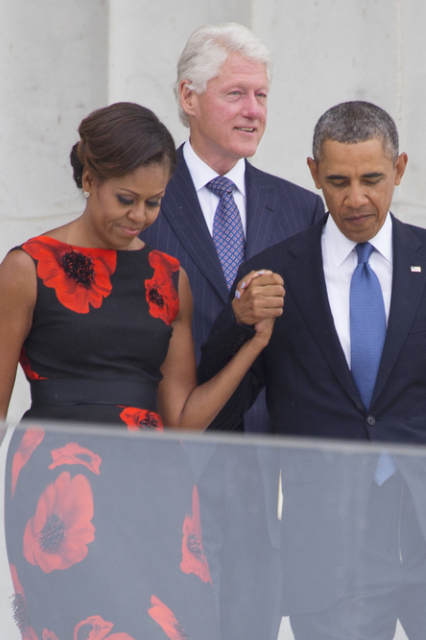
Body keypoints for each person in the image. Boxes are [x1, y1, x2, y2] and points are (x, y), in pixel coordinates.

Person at [0, 102, 272, 640]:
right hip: (62, 491)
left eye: (154, 203)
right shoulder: (26, 269)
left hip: (157, 490)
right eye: (126, 199)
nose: (139, 216)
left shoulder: (169, 278)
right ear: (89, 179)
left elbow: (183, 420)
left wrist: (253, 345)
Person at [198, 101, 426, 639]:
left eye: (373, 179)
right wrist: (236, 324)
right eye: (338, 181)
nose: (356, 199)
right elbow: (223, 406)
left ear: (399, 169)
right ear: (313, 175)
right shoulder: (275, 271)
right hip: (330, 553)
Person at [139, 22, 324, 638]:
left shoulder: (300, 208)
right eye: (236, 94)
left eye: (262, 96)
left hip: (265, 471)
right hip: (165, 461)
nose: (254, 112)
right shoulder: (145, 200)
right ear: (189, 98)